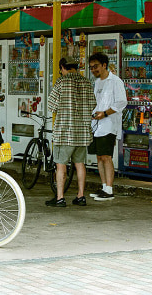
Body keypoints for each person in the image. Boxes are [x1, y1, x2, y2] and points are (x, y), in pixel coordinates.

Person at [46, 56, 96, 207]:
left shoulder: (62, 82)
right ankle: (81, 196)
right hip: (82, 132)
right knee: (80, 164)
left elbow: (51, 105)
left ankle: (60, 198)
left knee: (61, 165)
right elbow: (93, 103)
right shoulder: (87, 82)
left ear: (62, 68)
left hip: (65, 132)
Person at [89, 52, 127, 201]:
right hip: (96, 124)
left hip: (109, 124)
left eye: (96, 66)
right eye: (91, 67)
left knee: (106, 157)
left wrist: (104, 113)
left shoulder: (115, 81)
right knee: (99, 157)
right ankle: (104, 187)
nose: (93, 70)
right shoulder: (98, 82)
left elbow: (121, 102)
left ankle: (109, 189)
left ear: (104, 65)